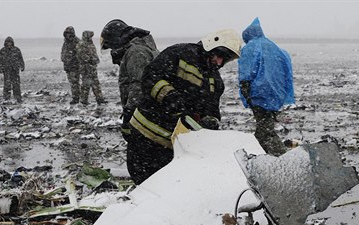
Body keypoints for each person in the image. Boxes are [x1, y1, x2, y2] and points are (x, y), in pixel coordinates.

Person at [122, 29, 242, 185]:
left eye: (224, 60)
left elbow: (212, 109)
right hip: (144, 133)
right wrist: (168, 96)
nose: (219, 63)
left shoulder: (215, 82)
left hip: (171, 144)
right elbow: (150, 77)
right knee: (142, 181)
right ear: (211, 45)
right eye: (218, 56)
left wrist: (210, 122)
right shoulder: (179, 53)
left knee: (161, 185)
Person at [238, 18, 295, 156]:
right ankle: (265, 156)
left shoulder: (251, 47)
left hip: (259, 93)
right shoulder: (274, 47)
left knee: (265, 132)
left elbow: (246, 72)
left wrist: (246, 92)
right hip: (276, 94)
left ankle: (282, 159)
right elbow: (286, 70)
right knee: (264, 128)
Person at [100, 19, 159, 138]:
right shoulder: (138, 49)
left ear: (117, 40)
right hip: (149, 112)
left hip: (145, 116)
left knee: (142, 151)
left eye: (111, 46)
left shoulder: (136, 52)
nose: (112, 51)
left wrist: (129, 114)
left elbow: (138, 85)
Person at [76, 30, 106, 105]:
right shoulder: (81, 44)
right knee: (85, 84)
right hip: (86, 68)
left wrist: (96, 60)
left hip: (92, 68)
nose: (91, 37)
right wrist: (91, 60)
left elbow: (94, 54)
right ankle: (83, 100)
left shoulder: (90, 43)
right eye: (89, 36)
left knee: (96, 84)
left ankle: (100, 99)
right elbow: (81, 56)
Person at [0, 36, 25, 103]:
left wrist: (22, 66)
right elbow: (0, 60)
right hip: (6, 70)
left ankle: (18, 99)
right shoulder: (2, 50)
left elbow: (20, 59)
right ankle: (6, 99)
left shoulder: (17, 50)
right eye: (8, 42)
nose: (9, 44)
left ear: (12, 43)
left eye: (10, 42)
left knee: (16, 85)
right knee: (7, 85)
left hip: (15, 70)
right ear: (5, 43)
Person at [61, 26, 80, 105]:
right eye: (66, 33)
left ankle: (76, 98)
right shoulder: (65, 42)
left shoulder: (77, 42)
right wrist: (63, 59)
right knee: (72, 83)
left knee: (75, 83)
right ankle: (76, 97)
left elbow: (80, 54)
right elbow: (63, 52)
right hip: (68, 66)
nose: (68, 35)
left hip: (75, 66)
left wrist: (74, 61)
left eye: (69, 33)